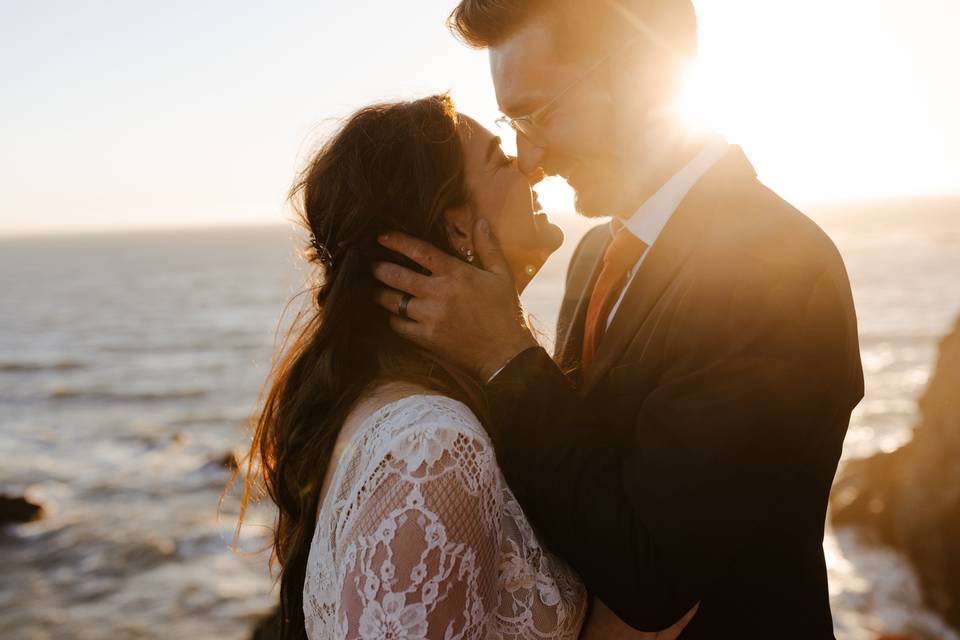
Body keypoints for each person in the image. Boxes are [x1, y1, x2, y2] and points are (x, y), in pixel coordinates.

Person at [371, 1, 866, 638]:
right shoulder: (597, 252)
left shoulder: (773, 266)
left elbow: (653, 576)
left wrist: (503, 355)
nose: (528, 156)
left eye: (539, 114)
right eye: (511, 121)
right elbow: (581, 473)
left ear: (640, 76)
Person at [236, 95, 695, 640]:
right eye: (501, 160)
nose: (532, 165)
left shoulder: (399, 405)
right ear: (456, 230)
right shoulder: (433, 446)